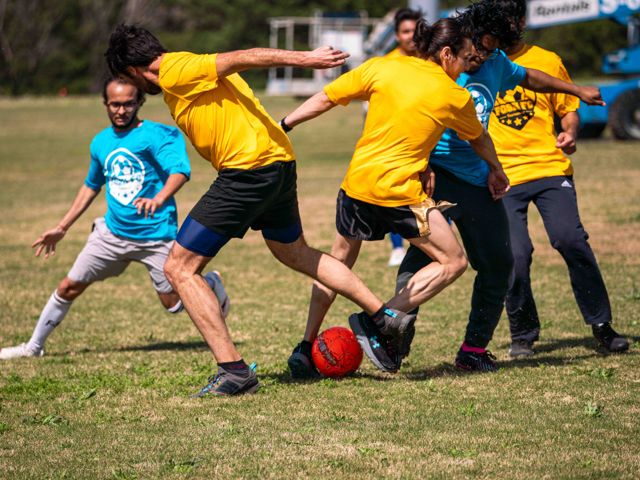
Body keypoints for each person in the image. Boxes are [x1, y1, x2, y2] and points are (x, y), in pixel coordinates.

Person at [105, 24, 410, 396]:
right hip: (278, 163)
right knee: (294, 251)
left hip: (247, 171)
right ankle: (385, 316)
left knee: (179, 267)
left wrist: (306, 59)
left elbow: (241, 57)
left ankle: (233, 370)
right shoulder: (178, 74)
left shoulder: (173, 67)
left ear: (133, 69)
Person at [283, 17, 510, 378]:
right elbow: (479, 139)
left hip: (357, 186)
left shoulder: (382, 67)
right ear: (446, 53)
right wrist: (497, 169)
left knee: (336, 265)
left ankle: (306, 346)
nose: (468, 66)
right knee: (452, 262)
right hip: (399, 194)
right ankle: (381, 319)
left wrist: (285, 124)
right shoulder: (454, 95)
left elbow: (326, 97)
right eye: (465, 59)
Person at [394, 0, 606, 372]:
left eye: (493, 49)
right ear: (467, 35)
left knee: (498, 265)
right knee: (423, 259)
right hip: (436, 175)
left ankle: (473, 351)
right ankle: (393, 338)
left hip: (476, 179)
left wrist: (574, 90)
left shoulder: (495, 63)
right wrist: (422, 165)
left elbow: (530, 77)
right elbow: (411, 116)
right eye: (481, 46)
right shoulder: (438, 62)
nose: (483, 56)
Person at [0, 76, 229, 360]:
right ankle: (33, 347)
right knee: (68, 286)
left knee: (172, 304)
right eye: (115, 104)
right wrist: (62, 227)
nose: (121, 110)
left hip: (156, 236)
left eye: (128, 104)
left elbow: (179, 171)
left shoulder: (158, 135)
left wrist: (159, 198)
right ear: (106, 104)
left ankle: (210, 284)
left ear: (139, 102)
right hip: (111, 234)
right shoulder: (101, 142)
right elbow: (91, 185)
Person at [489, 0, 629, 356]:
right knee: (515, 255)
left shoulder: (547, 60)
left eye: (509, 17)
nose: (504, 24)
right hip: (504, 177)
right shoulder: (480, 62)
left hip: (550, 168)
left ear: (521, 20)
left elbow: (569, 110)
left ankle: (602, 326)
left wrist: (570, 133)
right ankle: (523, 332)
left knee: (571, 241)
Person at [383, 7, 422, 267]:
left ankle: (416, 246)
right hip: (393, 145)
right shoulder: (386, 65)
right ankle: (397, 247)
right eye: (406, 31)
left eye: (416, 30)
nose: (411, 36)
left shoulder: (431, 60)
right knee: (393, 200)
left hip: (424, 143)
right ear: (397, 35)